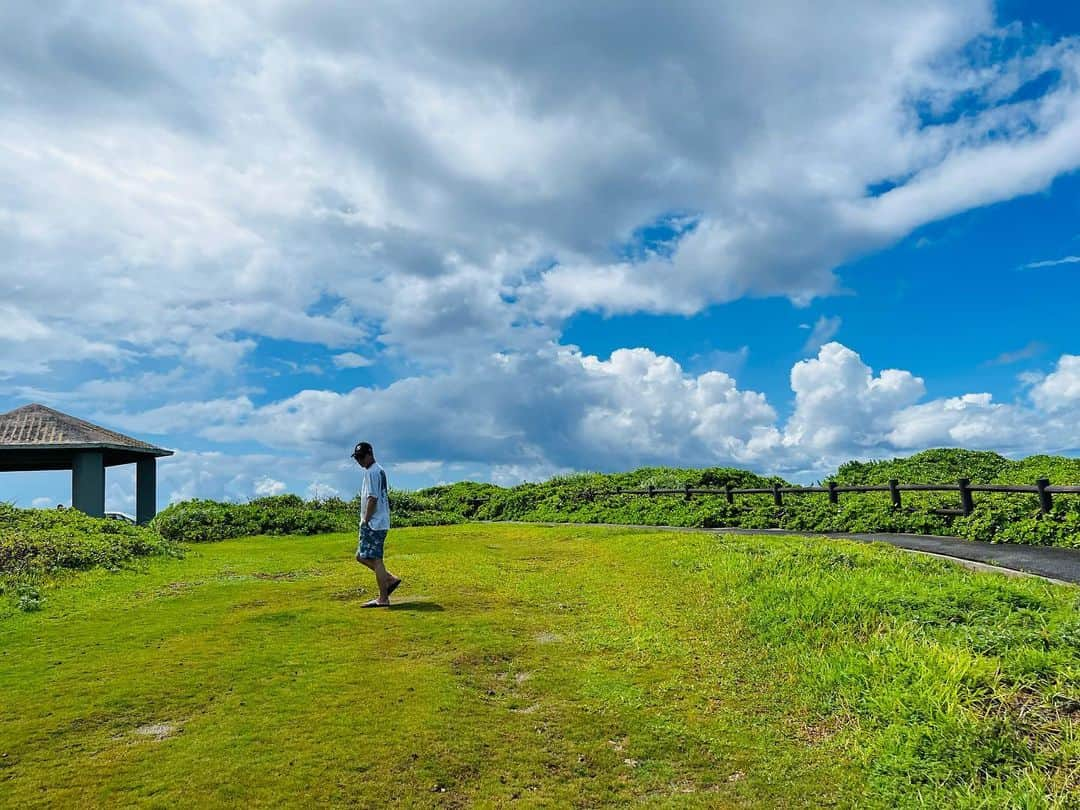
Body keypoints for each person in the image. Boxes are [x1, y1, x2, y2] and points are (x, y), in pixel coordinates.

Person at [352, 441, 401, 607]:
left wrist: (365, 520)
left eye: (360, 457)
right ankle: (388, 579)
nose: (358, 461)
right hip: (379, 521)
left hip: (374, 522)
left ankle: (383, 598)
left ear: (369, 455)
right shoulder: (377, 470)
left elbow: (373, 498)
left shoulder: (373, 472)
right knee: (361, 556)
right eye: (356, 458)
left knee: (376, 560)